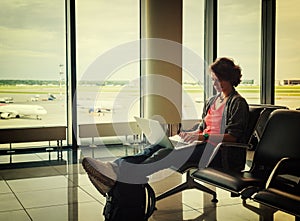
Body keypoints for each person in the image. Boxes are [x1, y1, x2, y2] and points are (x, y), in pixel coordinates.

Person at [82, 57, 250, 196]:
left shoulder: (238, 103)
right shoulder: (212, 101)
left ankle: (121, 177)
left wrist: (201, 137)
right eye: (213, 80)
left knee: (164, 153)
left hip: (217, 151)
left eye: (218, 80)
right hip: (200, 144)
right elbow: (203, 126)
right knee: (158, 145)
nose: (215, 84)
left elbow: (233, 137)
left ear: (229, 78)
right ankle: (114, 167)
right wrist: (188, 134)